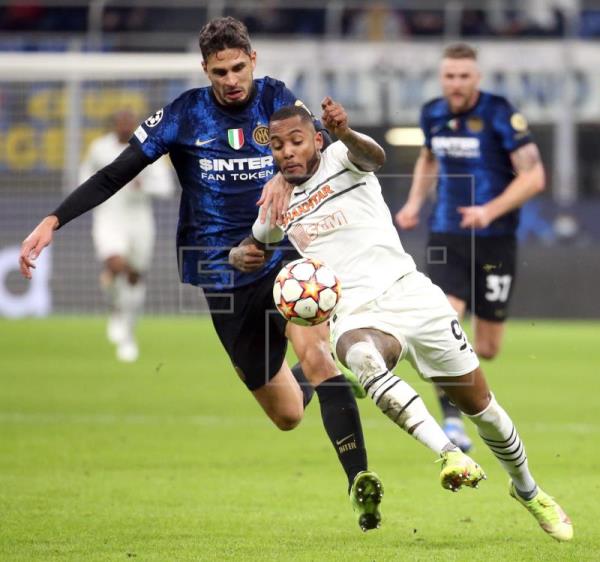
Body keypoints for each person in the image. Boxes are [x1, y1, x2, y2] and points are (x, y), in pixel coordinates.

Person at [19, 17, 381, 532]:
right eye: (220, 71)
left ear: (253, 60)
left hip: (283, 256)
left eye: (239, 67)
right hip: (220, 271)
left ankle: (360, 483)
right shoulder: (184, 114)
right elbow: (113, 174)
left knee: (317, 353)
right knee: (287, 414)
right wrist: (54, 219)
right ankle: (321, 385)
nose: (231, 79)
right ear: (205, 70)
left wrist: (282, 175)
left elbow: (312, 150)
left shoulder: (278, 99)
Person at [242, 99, 572, 541]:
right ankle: (449, 454)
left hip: (412, 294)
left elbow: (373, 156)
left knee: (483, 409)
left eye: (296, 141)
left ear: (316, 139)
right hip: (356, 312)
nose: (286, 152)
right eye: (278, 146)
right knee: (359, 355)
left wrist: (347, 132)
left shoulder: (343, 156)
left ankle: (529, 491)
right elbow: (254, 245)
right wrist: (239, 255)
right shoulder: (275, 203)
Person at [395, 43, 546, 452]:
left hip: (495, 241)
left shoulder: (500, 113)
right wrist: (413, 204)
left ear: (476, 78)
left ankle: (464, 399)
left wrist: (489, 210)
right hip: (447, 235)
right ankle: (453, 424)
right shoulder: (432, 113)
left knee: (487, 348)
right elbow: (428, 159)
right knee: (447, 324)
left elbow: (534, 177)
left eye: (464, 76)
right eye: (449, 76)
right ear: (441, 78)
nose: (456, 83)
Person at [80, 109, 175, 362]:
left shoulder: (151, 149)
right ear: (113, 125)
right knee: (115, 263)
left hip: (140, 221)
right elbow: (84, 177)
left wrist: (144, 185)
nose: (125, 127)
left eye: (129, 123)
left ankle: (127, 331)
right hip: (109, 218)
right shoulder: (99, 148)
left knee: (134, 276)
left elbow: (166, 188)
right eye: (121, 123)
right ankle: (116, 312)